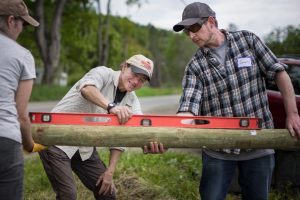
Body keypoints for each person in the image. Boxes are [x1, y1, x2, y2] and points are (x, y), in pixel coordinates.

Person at [173, 2, 300, 200]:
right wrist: (170, 134)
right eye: (187, 32)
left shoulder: (248, 41)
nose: (191, 36)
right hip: (218, 151)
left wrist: (292, 114)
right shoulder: (195, 66)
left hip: (259, 144)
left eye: (194, 28)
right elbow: (188, 108)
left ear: (212, 22)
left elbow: (279, 73)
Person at [39, 54, 165, 200]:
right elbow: (87, 89)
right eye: (135, 74)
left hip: (84, 146)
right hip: (57, 138)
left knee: (107, 193)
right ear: (124, 67)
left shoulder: (131, 100)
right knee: (68, 195)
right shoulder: (103, 73)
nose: (136, 81)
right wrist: (111, 106)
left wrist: (150, 144)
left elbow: (135, 131)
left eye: (142, 80)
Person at [0, 0, 47, 199]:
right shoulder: (22, 55)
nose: (22, 30)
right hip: (5, 140)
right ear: (11, 21)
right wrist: (29, 144)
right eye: (23, 24)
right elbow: (21, 115)